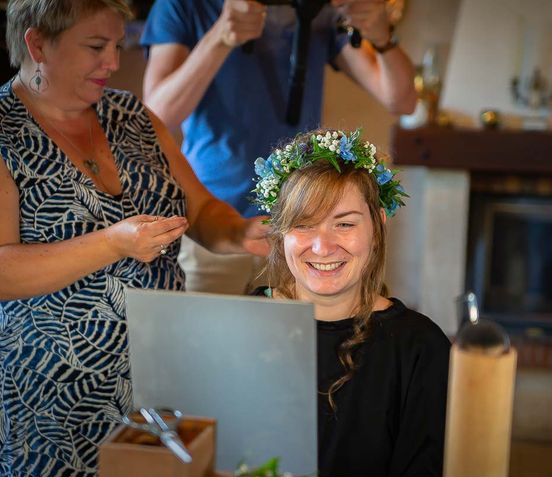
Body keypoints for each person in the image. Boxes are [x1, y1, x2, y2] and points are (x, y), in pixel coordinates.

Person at [0, 1, 269, 477]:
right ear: (37, 43)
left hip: (160, 387)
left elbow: (202, 210)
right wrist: (113, 243)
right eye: (96, 47)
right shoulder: (6, 130)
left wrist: (243, 233)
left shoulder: (133, 116)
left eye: (118, 46)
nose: (114, 63)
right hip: (55, 405)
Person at [140, 0, 418, 295]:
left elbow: (402, 101)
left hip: (294, 228)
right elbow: (156, 117)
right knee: (207, 339)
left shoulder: (319, 10)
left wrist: (381, 37)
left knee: (289, 339)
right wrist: (220, 37)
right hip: (208, 226)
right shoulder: (183, 6)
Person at [252, 129, 451, 477]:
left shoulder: (422, 348)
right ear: (280, 233)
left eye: (344, 224)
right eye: (303, 225)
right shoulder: (242, 323)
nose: (322, 247)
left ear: (377, 227)